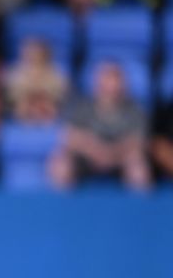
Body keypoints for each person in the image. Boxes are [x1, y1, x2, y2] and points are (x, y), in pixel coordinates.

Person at [48, 62, 150, 190]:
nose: (112, 86)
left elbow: (138, 142)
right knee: (61, 161)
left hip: (119, 159)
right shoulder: (82, 107)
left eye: (116, 80)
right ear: (98, 82)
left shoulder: (135, 111)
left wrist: (111, 154)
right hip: (87, 158)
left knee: (138, 165)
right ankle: (62, 205)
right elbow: (68, 136)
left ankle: (138, 206)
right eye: (107, 79)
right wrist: (96, 150)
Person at [5, 39, 68, 123]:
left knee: (50, 108)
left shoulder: (58, 74)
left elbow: (59, 96)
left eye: (38, 54)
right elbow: (13, 96)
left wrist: (42, 101)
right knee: (21, 108)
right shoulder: (15, 73)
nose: (34, 57)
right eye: (31, 54)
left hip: (48, 110)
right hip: (23, 109)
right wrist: (29, 101)